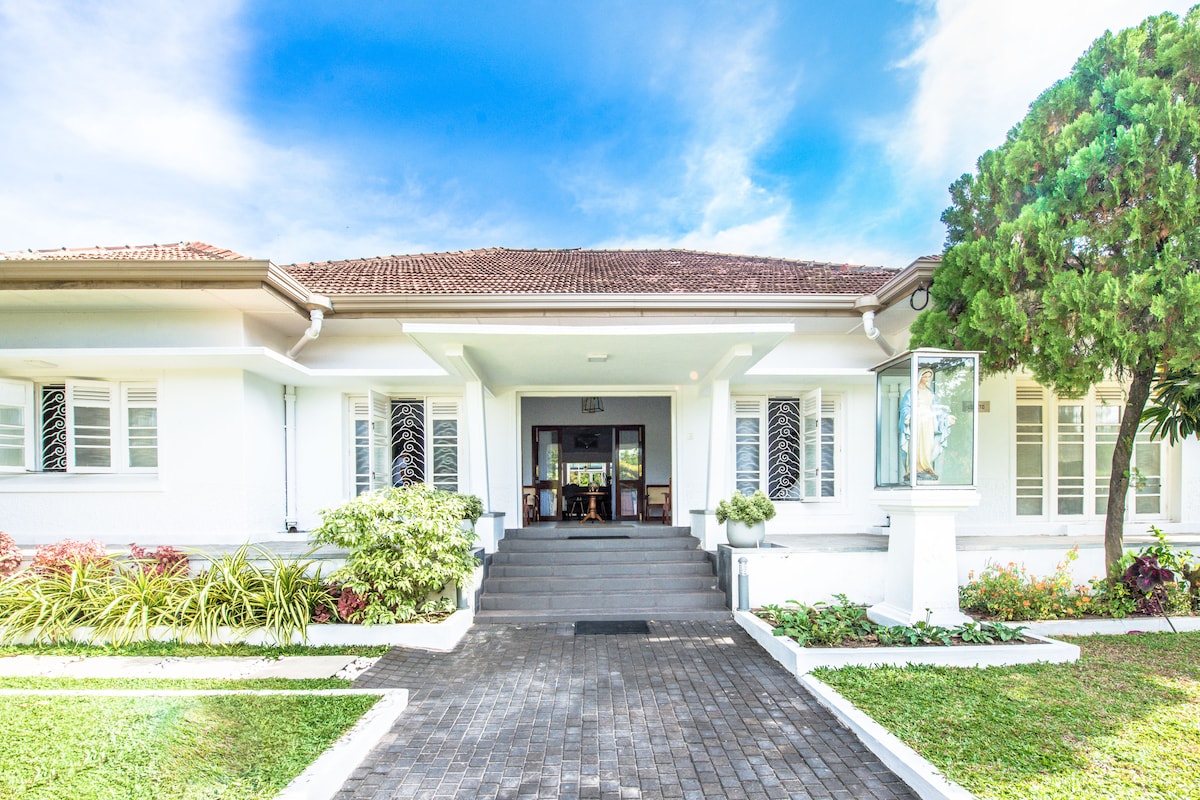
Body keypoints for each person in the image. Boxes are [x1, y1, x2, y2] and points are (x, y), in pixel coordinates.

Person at [899, 367, 956, 479]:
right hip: (917, 420)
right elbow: (905, 407)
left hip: (928, 420)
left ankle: (926, 466)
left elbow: (937, 409)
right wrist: (908, 416)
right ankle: (915, 467)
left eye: (929, 377)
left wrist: (946, 417)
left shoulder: (931, 393)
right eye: (925, 376)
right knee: (917, 443)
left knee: (928, 443)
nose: (927, 379)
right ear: (920, 377)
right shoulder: (911, 392)